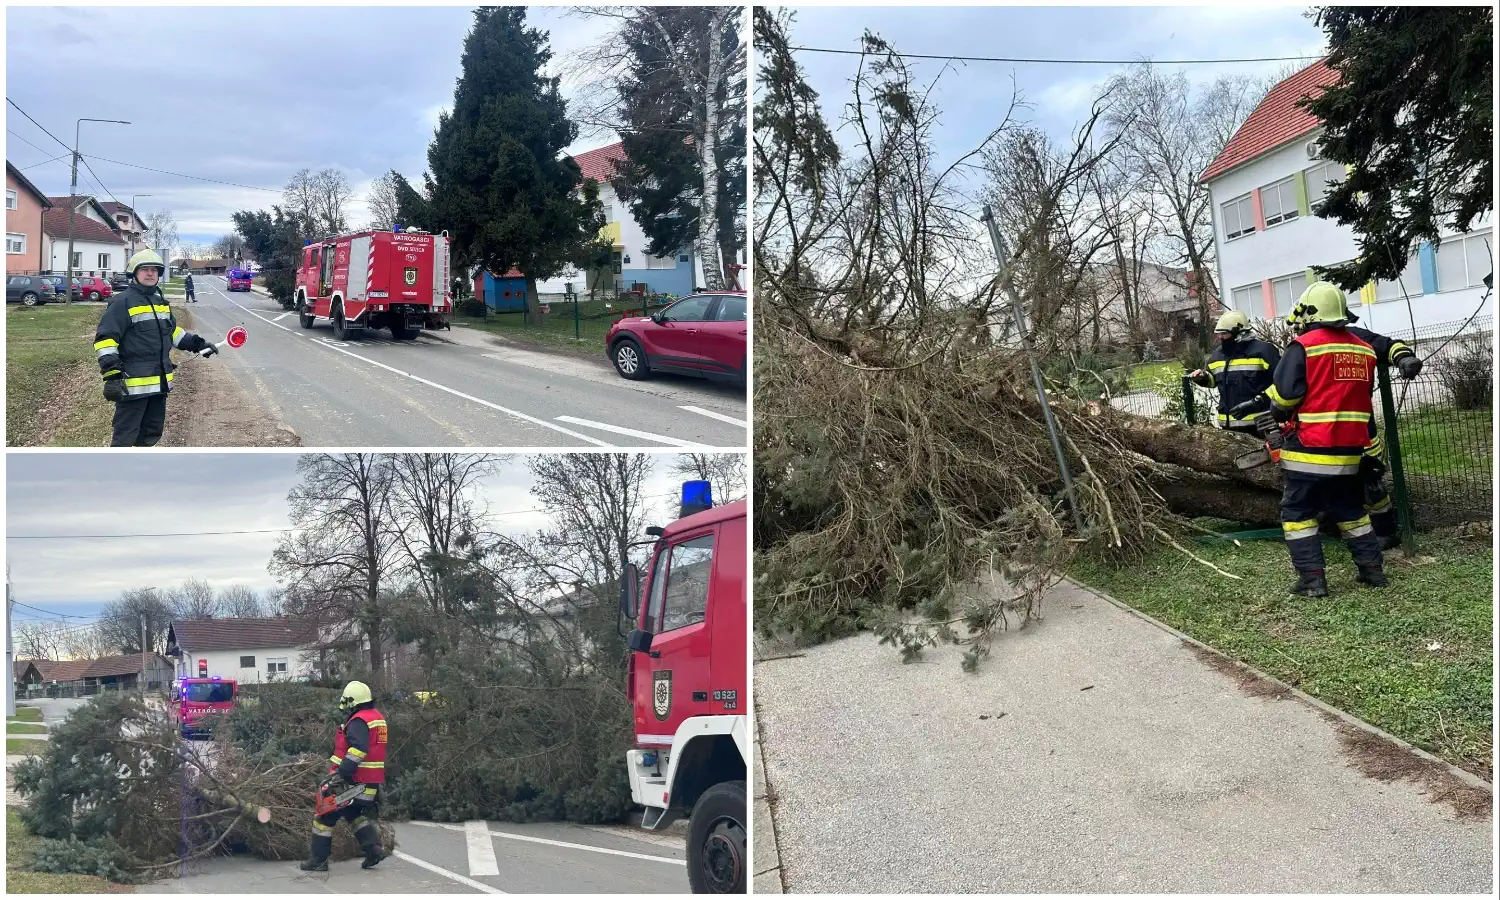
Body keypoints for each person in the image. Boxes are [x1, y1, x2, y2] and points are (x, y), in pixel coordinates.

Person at [1263, 281, 1385, 597]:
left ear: (1310, 314)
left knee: (1298, 514)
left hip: (1310, 451)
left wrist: (1276, 408)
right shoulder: (1364, 349)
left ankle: (1313, 581)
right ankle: (1373, 571)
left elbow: (1286, 398)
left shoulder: (1304, 346)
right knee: (1351, 509)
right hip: (1351, 451)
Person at [94, 250, 216, 447]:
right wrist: (112, 374)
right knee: (124, 439)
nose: (150, 274)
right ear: (134, 273)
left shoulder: (160, 302)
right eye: (145, 270)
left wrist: (198, 344)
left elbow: (171, 333)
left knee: (150, 436)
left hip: (159, 386)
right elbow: (105, 340)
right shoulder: (122, 302)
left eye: (154, 270)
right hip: (132, 387)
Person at [302, 681, 388, 872]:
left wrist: (341, 774)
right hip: (370, 782)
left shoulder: (359, 721)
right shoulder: (377, 718)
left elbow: (358, 750)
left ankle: (318, 861)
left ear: (352, 702)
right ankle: (373, 849)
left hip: (353, 780)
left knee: (324, 817)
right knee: (353, 813)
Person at [1188, 310, 1281, 435]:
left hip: (1261, 426)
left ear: (1240, 333)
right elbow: (1213, 380)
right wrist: (1203, 378)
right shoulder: (1218, 355)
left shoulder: (1264, 351)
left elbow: (1282, 384)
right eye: (1219, 334)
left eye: (1224, 333)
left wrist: (1258, 402)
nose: (1220, 337)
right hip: (1228, 430)